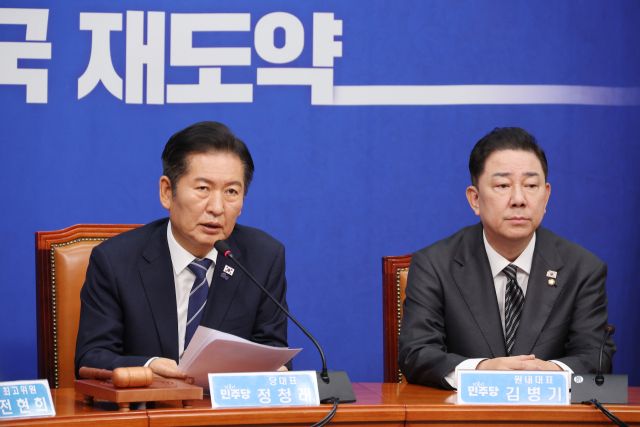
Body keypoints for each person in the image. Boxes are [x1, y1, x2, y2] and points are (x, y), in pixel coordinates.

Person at [398, 127, 615, 389]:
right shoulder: (435, 265)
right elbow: (416, 352)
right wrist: (481, 370)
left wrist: (550, 372)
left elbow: (595, 357)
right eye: (502, 185)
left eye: (531, 186)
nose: (519, 199)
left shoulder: (582, 269)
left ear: (546, 196)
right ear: (475, 199)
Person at [75, 121, 288, 379]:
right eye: (203, 188)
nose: (217, 207)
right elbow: (92, 356)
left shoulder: (263, 258)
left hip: (223, 404)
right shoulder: (115, 261)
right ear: (167, 192)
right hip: (149, 401)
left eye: (231, 191)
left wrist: (274, 369)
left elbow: (272, 349)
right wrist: (149, 366)